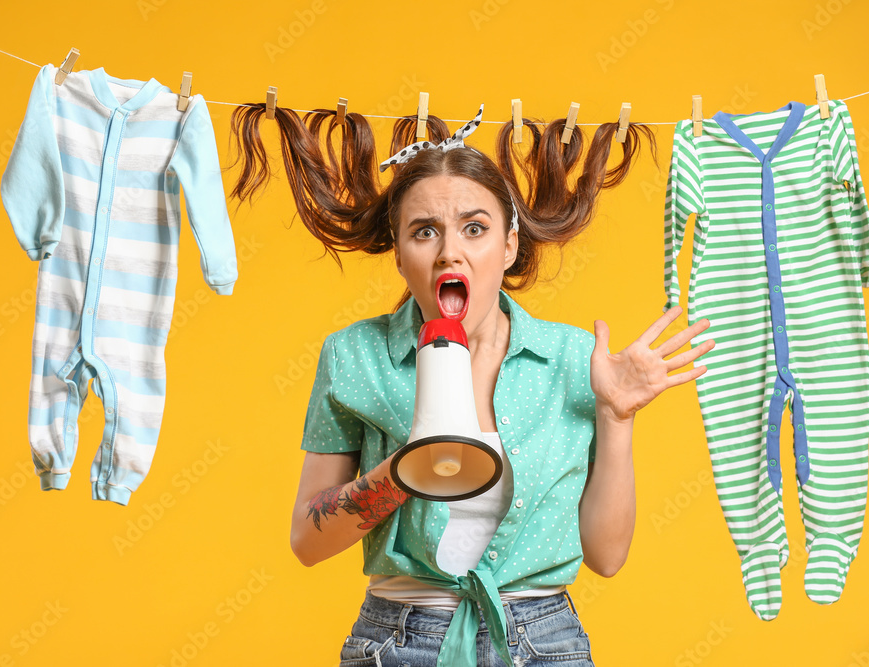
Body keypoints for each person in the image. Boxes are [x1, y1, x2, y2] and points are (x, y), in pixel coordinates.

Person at [230, 104, 714, 666]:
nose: (449, 253)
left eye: (475, 228)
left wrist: (617, 417)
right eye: (424, 232)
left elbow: (606, 557)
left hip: (543, 642)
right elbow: (308, 542)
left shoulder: (573, 358)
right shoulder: (355, 355)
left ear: (508, 246)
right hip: (400, 640)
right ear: (399, 254)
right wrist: (408, 469)